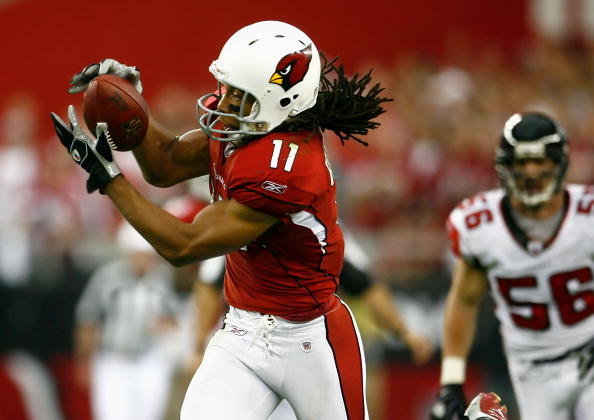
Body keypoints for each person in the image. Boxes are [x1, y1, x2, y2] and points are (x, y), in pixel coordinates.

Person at [51, 21, 391, 420]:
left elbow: (183, 246)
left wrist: (109, 178)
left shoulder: (289, 167)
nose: (223, 102)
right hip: (242, 334)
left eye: (238, 95)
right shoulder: (249, 127)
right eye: (226, 88)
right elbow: (168, 163)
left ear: (279, 103)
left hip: (311, 340)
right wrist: (132, 108)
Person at [430, 112, 594, 420]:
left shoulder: (587, 215)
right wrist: (451, 381)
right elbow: (464, 299)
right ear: (505, 166)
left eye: (540, 161)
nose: (531, 171)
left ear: (559, 164)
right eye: (521, 162)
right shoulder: (479, 225)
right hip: (531, 370)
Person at [74, 221, 179, 420]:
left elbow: (172, 318)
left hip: (149, 358)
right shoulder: (108, 277)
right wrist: (84, 360)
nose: (144, 261)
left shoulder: (161, 277)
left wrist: (164, 325)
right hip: (113, 358)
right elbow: (88, 318)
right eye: (139, 255)